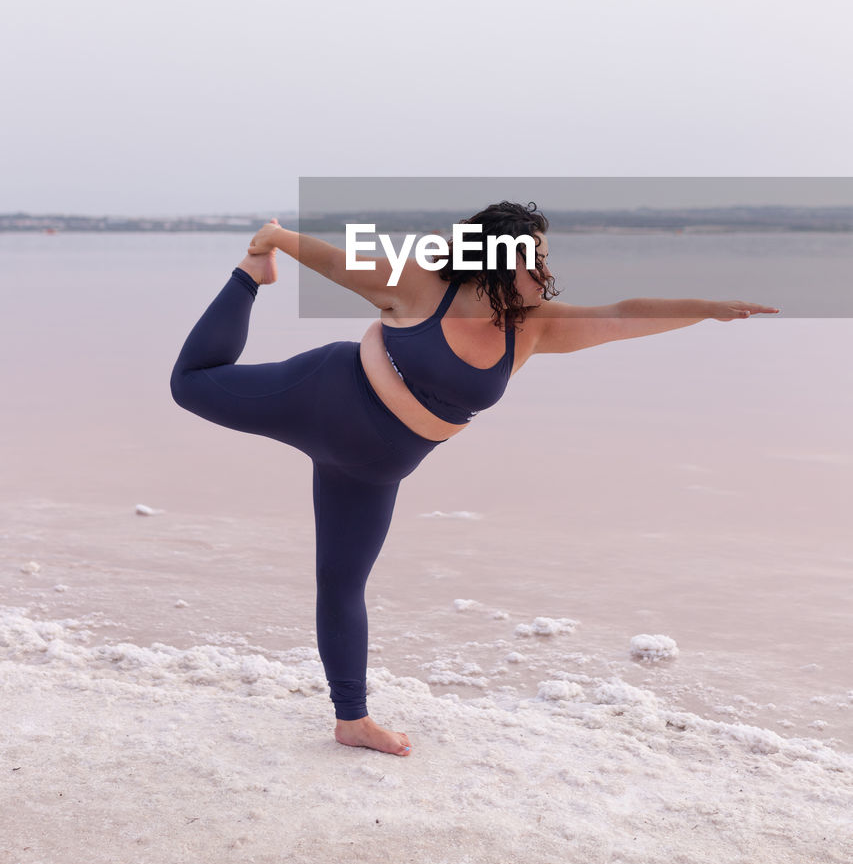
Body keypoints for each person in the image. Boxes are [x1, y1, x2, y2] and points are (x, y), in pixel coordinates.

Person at [170, 200, 779, 757]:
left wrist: (705, 309)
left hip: (372, 470)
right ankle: (249, 276)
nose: (542, 266)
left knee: (340, 582)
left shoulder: (533, 327)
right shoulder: (417, 283)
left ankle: (351, 720)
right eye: (532, 255)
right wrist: (274, 240)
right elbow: (331, 255)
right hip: (318, 396)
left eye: (542, 256)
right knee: (190, 384)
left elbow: (622, 314)